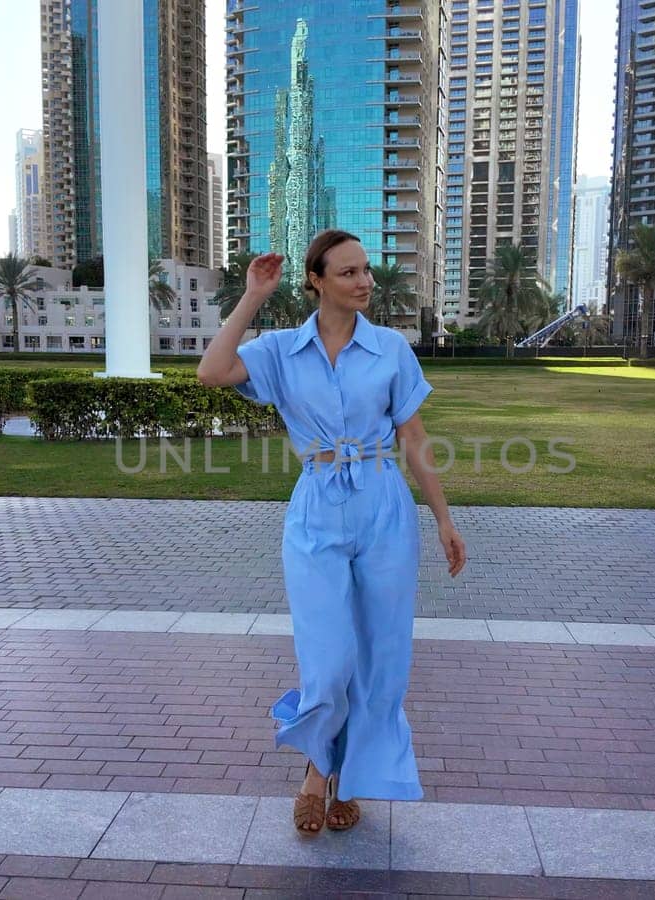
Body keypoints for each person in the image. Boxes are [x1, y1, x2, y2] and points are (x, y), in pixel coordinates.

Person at [197, 230, 468, 836]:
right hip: (317, 506)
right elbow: (212, 371)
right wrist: (252, 297)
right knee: (329, 655)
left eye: (366, 270)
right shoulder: (280, 351)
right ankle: (317, 766)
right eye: (347, 273)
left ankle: (346, 776)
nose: (364, 281)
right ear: (317, 281)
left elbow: (415, 439)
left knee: (380, 657)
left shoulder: (392, 349)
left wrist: (444, 518)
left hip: (383, 505)